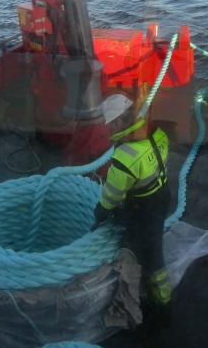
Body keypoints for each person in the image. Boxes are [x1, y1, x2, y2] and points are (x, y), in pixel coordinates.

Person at [90, 92, 172, 316]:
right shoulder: (157, 133)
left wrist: (101, 212)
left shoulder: (125, 158)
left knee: (152, 255)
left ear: (117, 122)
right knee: (150, 240)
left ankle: (162, 300)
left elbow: (112, 196)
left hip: (145, 211)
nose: (109, 129)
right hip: (163, 195)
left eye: (110, 124)